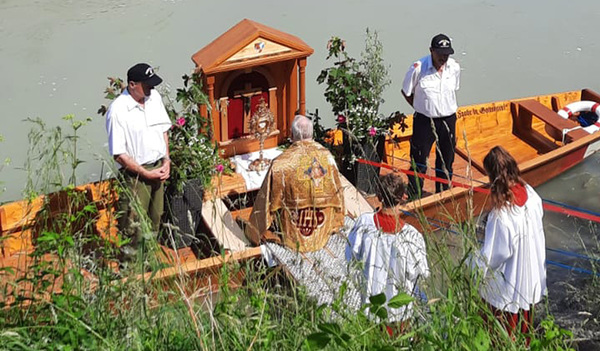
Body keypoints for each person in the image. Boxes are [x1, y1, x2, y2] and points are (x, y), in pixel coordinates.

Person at [473, 146, 546, 342]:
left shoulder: (501, 214)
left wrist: (474, 270)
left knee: (502, 337)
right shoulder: (532, 195)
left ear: (492, 176)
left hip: (508, 288)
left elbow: (494, 256)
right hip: (531, 278)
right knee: (525, 333)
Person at [246, 115, 345, 252]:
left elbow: (265, 204)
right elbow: (338, 195)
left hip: (293, 235)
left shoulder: (281, 164)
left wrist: (253, 231)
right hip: (322, 232)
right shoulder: (327, 158)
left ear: (292, 135)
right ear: (311, 133)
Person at [345, 173, 429, 329]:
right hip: (401, 313)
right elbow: (421, 274)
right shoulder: (412, 236)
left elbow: (350, 257)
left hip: (371, 309)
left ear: (378, 196)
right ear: (404, 197)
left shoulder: (364, 224)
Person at [105, 63, 172, 256]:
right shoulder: (118, 111)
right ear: (132, 85)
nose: (151, 88)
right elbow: (119, 154)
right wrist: (145, 173)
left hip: (158, 168)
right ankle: (131, 269)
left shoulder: (154, 98)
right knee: (133, 225)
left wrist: (166, 160)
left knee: (155, 217)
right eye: (147, 85)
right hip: (136, 175)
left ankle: (150, 260)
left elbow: (163, 130)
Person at [402, 33, 460, 197]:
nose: (444, 57)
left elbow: (454, 89)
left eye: (447, 54)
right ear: (431, 51)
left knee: (446, 161)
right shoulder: (418, 68)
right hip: (424, 121)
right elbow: (406, 91)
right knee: (419, 161)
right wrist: (421, 107)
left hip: (448, 119)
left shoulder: (454, 67)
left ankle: (443, 195)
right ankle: (415, 195)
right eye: (440, 53)